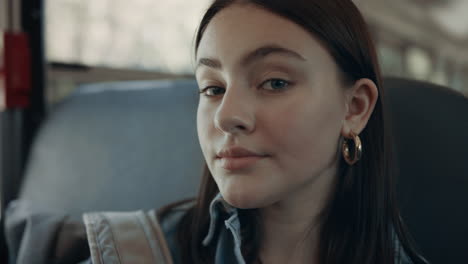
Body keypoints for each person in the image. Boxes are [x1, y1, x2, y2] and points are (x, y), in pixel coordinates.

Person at [5, 0, 429, 263]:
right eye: (212, 88)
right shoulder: (134, 252)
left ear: (354, 108)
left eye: (274, 82)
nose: (227, 116)